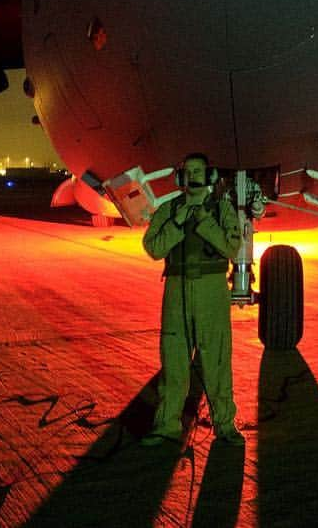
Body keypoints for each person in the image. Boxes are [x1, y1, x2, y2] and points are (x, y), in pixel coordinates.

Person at [141, 152, 245, 446]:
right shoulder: (169, 209)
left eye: (200, 171)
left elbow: (232, 248)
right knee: (174, 360)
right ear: (181, 177)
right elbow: (154, 248)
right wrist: (178, 222)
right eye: (189, 171)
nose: (195, 176)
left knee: (217, 359)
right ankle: (167, 425)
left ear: (209, 176)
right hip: (176, 289)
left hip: (212, 289)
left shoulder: (221, 210)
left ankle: (225, 424)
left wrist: (203, 222)